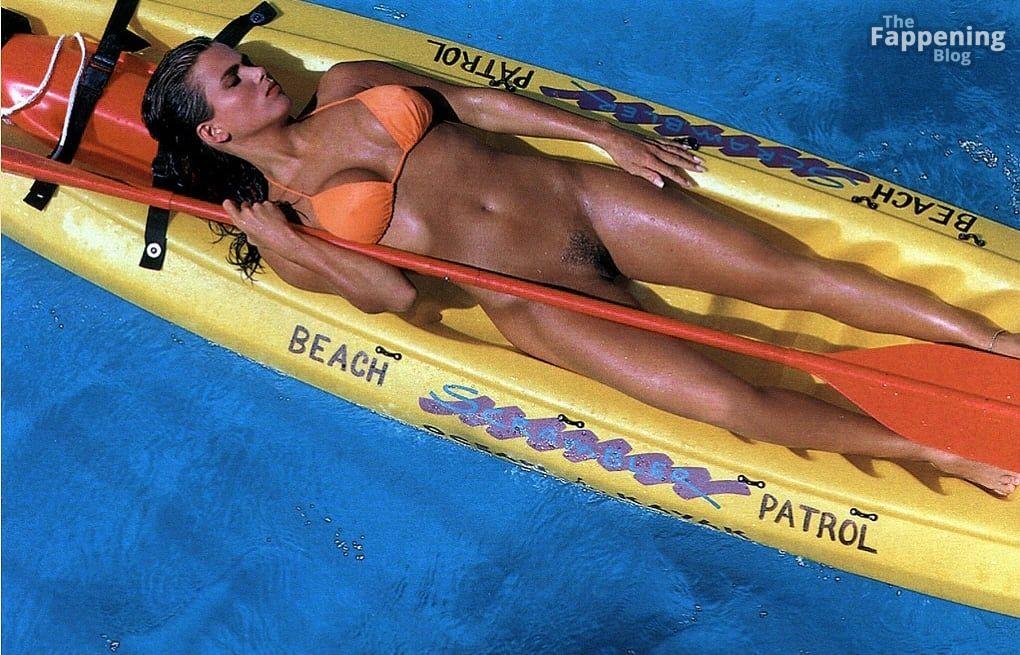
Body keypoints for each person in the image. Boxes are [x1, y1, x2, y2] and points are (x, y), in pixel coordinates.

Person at [142, 37, 1019, 496]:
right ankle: (936, 450)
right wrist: (296, 248)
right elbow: (397, 295)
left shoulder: (345, 83)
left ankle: (994, 341)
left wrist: (603, 135)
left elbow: (478, 104)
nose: (256, 74)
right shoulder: (289, 227)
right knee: (729, 403)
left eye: (243, 62)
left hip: (580, 201)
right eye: (233, 81)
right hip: (542, 302)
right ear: (216, 133)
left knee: (798, 278)